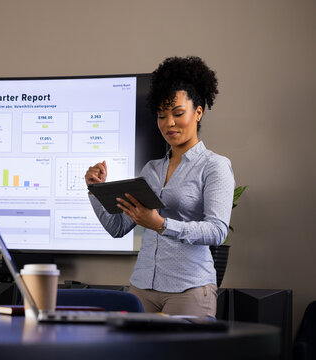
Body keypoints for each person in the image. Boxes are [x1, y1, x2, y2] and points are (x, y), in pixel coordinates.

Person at [85, 56, 235, 318]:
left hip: (190, 288)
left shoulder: (215, 166)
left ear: (198, 112)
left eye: (178, 113)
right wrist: (95, 191)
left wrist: (161, 224)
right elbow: (118, 228)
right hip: (142, 288)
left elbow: (217, 231)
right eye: (162, 116)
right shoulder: (151, 170)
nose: (169, 123)